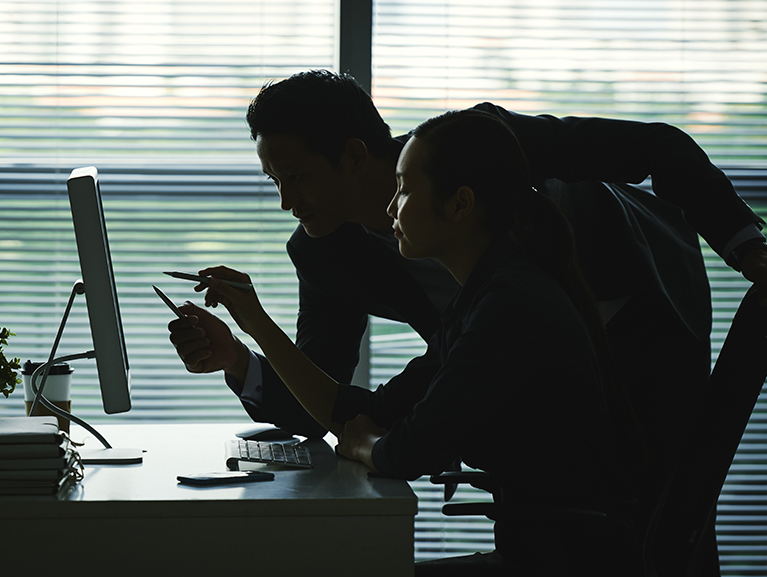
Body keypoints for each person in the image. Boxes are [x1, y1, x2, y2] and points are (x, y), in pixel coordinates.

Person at [167, 70, 766, 573]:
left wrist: (751, 255)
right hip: (514, 391)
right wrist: (240, 358)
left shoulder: (471, 155)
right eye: (273, 181)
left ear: (353, 155)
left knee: (672, 532)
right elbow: (335, 403)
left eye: (295, 176)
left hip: (645, 326)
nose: (284, 201)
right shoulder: (341, 257)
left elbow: (658, 147)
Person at [195, 109, 640, 575]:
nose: (390, 208)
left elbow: (405, 450)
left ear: (460, 205)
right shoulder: (478, 302)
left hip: (564, 559)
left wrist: (366, 442)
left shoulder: (509, 305)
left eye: (405, 189)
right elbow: (360, 411)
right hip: (536, 550)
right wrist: (255, 323)